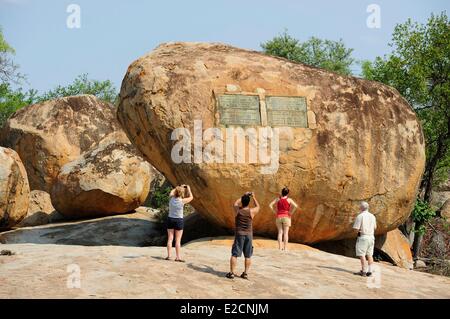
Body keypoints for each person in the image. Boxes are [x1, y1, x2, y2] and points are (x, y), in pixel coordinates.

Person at [226, 192, 260, 280]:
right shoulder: (251, 211)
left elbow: (235, 203)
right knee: (248, 255)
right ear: (248, 202)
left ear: (242, 201)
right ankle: (245, 273)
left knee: (235, 254)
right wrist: (253, 197)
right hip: (248, 235)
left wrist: (243, 196)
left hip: (239, 234)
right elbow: (258, 207)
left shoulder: (238, 210)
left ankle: (232, 273)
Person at [165, 184, 193, 262]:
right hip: (178, 221)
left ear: (175, 192)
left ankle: (169, 256)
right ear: (182, 193)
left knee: (170, 238)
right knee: (178, 240)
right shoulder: (182, 201)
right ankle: (178, 257)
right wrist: (189, 189)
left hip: (170, 219)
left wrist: (178, 187)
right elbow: (191, 197)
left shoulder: (171, 198)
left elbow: (171, 191)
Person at [353, 201, 377, 277]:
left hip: (363, 237)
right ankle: (370, 271)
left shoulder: (360, 216)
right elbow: (375, 227)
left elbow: (356, 229)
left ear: (361, 208)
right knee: (370, 254)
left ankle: (363, 271)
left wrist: (357, 232)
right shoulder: (373, 216)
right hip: (371, 237)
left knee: (362, 254)